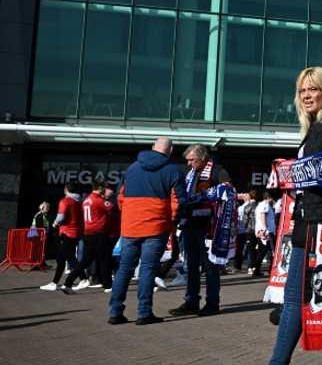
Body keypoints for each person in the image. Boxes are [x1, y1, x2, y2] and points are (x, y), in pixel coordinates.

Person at [231, 66, 322, 365]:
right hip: (315, 224)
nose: (306, 95)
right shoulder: (317, 126)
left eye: (313, 89)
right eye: (302, 90)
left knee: (294, 302)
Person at [108, 138, 184, 324]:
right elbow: (178, 202)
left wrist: (129, 215)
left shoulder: (133, 168)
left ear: (152, 147)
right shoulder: (173, 170)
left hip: (130, 225)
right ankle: (144, 313)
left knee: (124, 269)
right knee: (148, 269)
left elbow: (121, 197)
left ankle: (115, 312)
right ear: (171, 150)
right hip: (156, 226)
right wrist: (171, 220)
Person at [169, 144, 230, 317]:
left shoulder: (218, 172)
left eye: (192, 160)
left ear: (203, 158)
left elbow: (227, 193)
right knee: (191, 266)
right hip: (189, 225)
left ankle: (212, 303)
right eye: (187, 160)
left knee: (210, 267)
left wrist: (200, 198)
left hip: (208, 227)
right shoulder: (191, 173)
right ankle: (191, 302)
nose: (189, 164)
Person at [62, 182, 115, 293]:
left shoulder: (86, 200)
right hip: (99, 233)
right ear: (100, 188)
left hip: (88, 234)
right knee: (104, 259)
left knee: (85, 261)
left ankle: (68, 282)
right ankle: (108, 286)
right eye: (103, 188)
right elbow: (112, 209)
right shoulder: (99, 200)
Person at [40, 184, 83, 292]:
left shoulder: (65, 201)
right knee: (61, 258)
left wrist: (54, 224)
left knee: (70, 258)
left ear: (66, 190)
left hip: (66, 232)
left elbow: (61, 217)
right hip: (75, 232)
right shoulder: (79, 201)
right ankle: (54, 283)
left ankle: (84, 278)